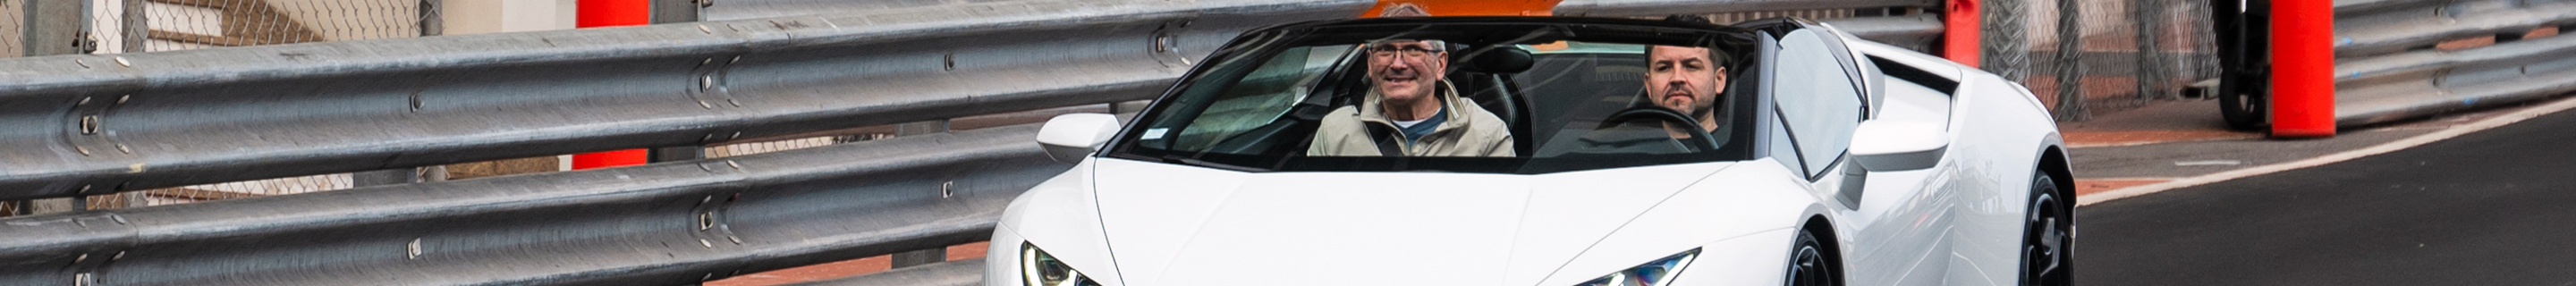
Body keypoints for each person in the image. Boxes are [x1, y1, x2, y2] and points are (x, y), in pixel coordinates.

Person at [1307, 39, 1515, 156]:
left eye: (1414, 50)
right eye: (1386, 50)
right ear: (1370, 63)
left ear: (1440, 64)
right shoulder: (1335, 130)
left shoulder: (1486, 133)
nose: (1398, 64)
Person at [1641, 15, 1732, 135]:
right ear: (1649, 85)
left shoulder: (1748, 144)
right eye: (1664, 68)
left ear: (1719, 80)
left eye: (1691, 66)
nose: (1677, 78)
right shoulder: (1628, 145)